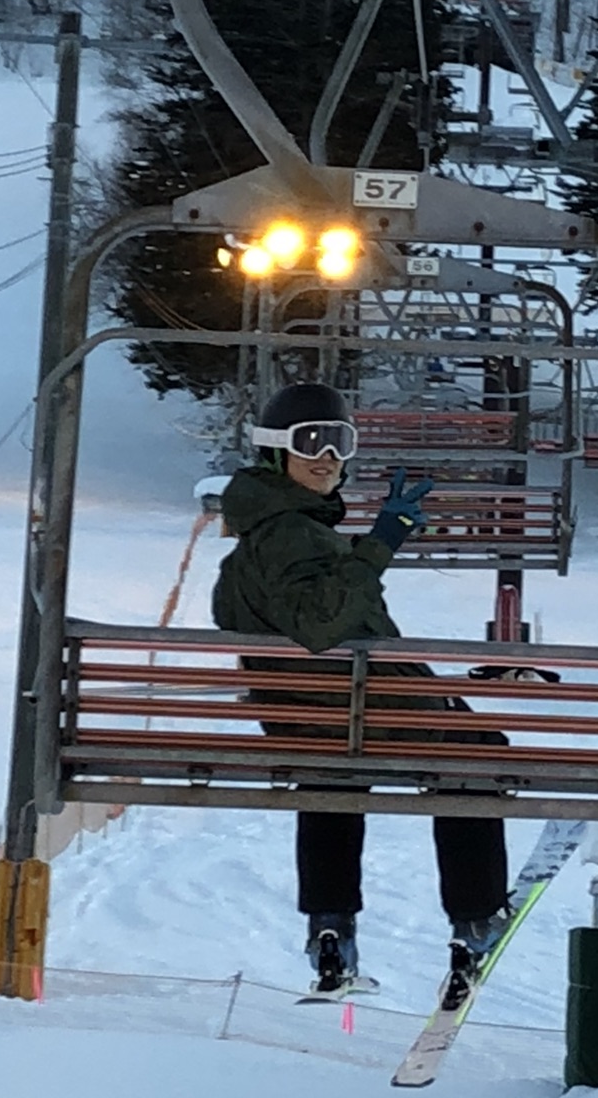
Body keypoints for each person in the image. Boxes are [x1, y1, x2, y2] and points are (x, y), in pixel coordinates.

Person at [211, 382, 510, 994]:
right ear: (275, 453)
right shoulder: (288, 530)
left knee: (331, 772)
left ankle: (331, 928)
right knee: (478, 754)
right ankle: (475, 916)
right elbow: (322, 623)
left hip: (313, 723)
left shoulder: (259, 536)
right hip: (355, 713)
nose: (327, 458)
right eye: (310, 442)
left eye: (339, 443)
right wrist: (381, 543)